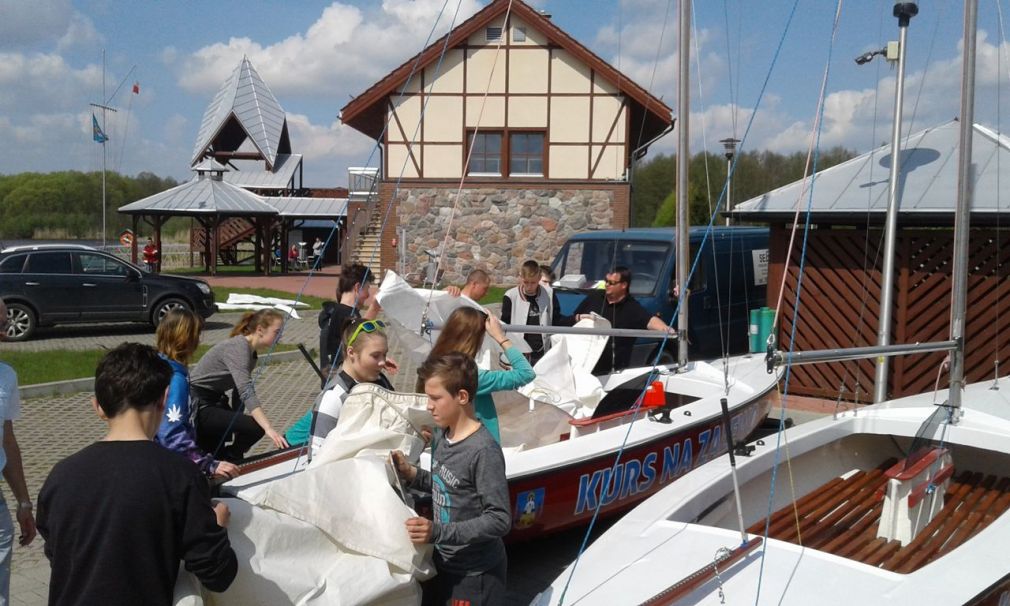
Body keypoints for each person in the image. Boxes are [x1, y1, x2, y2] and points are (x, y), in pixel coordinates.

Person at [37, 343, 237, 606]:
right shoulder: (180, 476)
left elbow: (58, 554)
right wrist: (217, 526)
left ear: (97, 406)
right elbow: (218, 575)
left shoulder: (60, 475)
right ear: (165, 399)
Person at [392, 352, 510, 606]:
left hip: (476, 576)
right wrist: (412, 475)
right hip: (444, 563)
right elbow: (447, 483)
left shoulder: (483, 451)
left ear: (462, 397)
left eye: (435, 398)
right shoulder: (443, 435)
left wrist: (438, 531)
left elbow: (500, 519)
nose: (428, 405)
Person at [190, 309, 290, 462]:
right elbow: (246, 390)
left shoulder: (251, 353)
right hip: (199, 405)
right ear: (260, 330)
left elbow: (239, 392)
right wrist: (268, 428)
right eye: (277, 332)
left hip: (214, 401)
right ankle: (230, 457)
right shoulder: (239, 348)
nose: (280, 336)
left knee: (246, 430)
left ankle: (230, 457)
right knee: (256, 427)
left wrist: (238, 424)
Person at [424, 307, 534, 443]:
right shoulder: (474, 378)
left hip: (444, 444)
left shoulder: (434, 366)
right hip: (477, 446)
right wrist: (500, 337)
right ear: (476, 339)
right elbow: (526, 373)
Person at [286, 318, 395, 453]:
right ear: (351, 352)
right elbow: (316, 457)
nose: (382, 362)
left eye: (384, 355)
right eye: (375, 356)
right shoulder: (334, 397)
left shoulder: (380, 381)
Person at [154, 309, 240, 480]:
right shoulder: (176, 379)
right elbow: (170, 433)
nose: (199, 340)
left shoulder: (157, 366)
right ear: (187, 338)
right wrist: (207, 464)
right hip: (170, 468)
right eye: (197, 334)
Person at [573, 266, 676, 375]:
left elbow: (649, 320)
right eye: (606, 281)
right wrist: (578, 318)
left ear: (624, 285)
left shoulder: (632, 307)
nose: (607, 285)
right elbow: (575, 318)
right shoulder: (594, 297)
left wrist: (665, 329)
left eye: (611, 283)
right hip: (583, 364)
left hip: (612, 371)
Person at [0, 300, 36, 604]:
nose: (5, 332)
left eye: (4, 323)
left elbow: (7, 440)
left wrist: (24, 502)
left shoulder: (6, 376)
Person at [500, 260, 572, 365]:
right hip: (518, 355)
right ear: (521, 277)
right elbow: (504, 326)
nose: (529, 286)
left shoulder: (549, 293)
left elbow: (556, 319)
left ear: (539, 278)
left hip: (542, 353)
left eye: (533, 282)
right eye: (526, 282)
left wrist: (577, 318)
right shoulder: (510, 296)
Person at [319, 263, 380, 374]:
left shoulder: (338, 311)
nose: (367, 295)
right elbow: (361, 338)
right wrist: (375, 307)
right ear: (357, 287)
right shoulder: (346, 315)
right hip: (344, 380)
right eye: (367, 288)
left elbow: (359, 329)